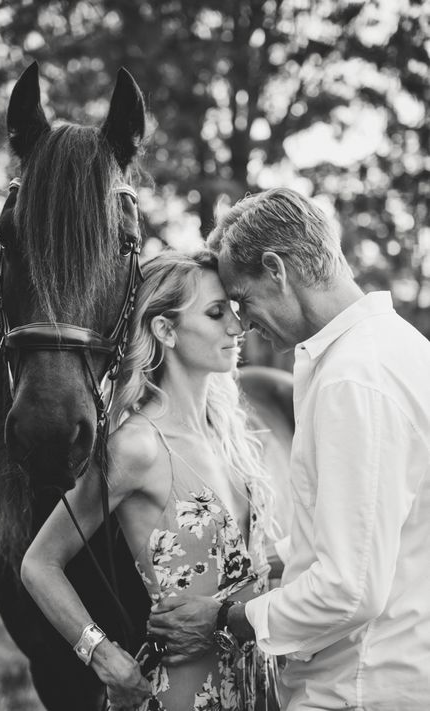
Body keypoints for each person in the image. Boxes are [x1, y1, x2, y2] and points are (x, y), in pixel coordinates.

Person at [148, 188, 430, 710]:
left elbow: (349, 588)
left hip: (357, 690)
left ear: (276, 269)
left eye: (242, 297)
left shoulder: (354, 380)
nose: (244, 322)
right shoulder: (404, 349)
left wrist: (221, 620)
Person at [21, 250, 283, 711]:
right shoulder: (137, 446)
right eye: (216, 313)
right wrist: (101, 655)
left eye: (235, 313)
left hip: (259, 688)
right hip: (185, 694)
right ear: (165, 329)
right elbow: (39, 563)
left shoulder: (229, 432)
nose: (237, 328)